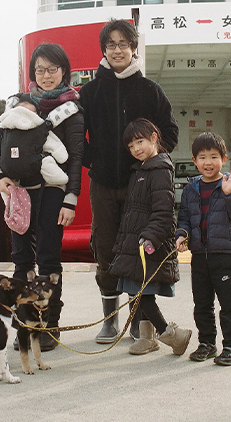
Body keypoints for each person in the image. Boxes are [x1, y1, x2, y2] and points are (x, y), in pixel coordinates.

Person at [79, 18, 179, 344]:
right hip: (104, 185)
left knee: (139, 252)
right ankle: (110, 319)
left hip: (142, 187)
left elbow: (171, 133)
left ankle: (138, 319)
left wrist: (149, 164)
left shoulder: (151, 90)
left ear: (134, 48)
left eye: (124, 44)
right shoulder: (91, 91)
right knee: (106, 248)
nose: (117, 50)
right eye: (111, 45)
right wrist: (93, 160)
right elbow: (76, 137)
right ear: (104, 50)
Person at [0, 43, 84, 351]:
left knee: (48, 257)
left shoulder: (71, 108)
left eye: (52, 70)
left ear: (64, 72)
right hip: (19, 191)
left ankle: (49, 327)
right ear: (32, 72)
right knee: (21, 258)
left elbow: (75, 157)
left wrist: (71, 198)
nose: (46, 76)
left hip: (54, 193)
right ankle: (22, 324)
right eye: (40, 69)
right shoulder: (17, 103)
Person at [109, 119, 191, 356]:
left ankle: (172, 335)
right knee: (136, 292)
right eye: (131, 146)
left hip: (148, 244)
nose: (136, 149)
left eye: (140, 141)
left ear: (155, 137)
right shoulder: (141, 169)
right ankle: (147, 338)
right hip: (135, 242)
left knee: (140, 294)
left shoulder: (159, 170)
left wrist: (150, 238)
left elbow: (164, 212)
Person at [175, 132, 231, 366]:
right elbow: (184, 218)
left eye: (214, 157)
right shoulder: (190, 190)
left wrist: (229, 194)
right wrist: (181, 235)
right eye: (202, 157)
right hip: (199, 256)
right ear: (194, 161)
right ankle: (207, 343)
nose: (208, 162)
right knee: (202, 303)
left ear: (223, 159)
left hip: (223, 254)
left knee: (229, 304)